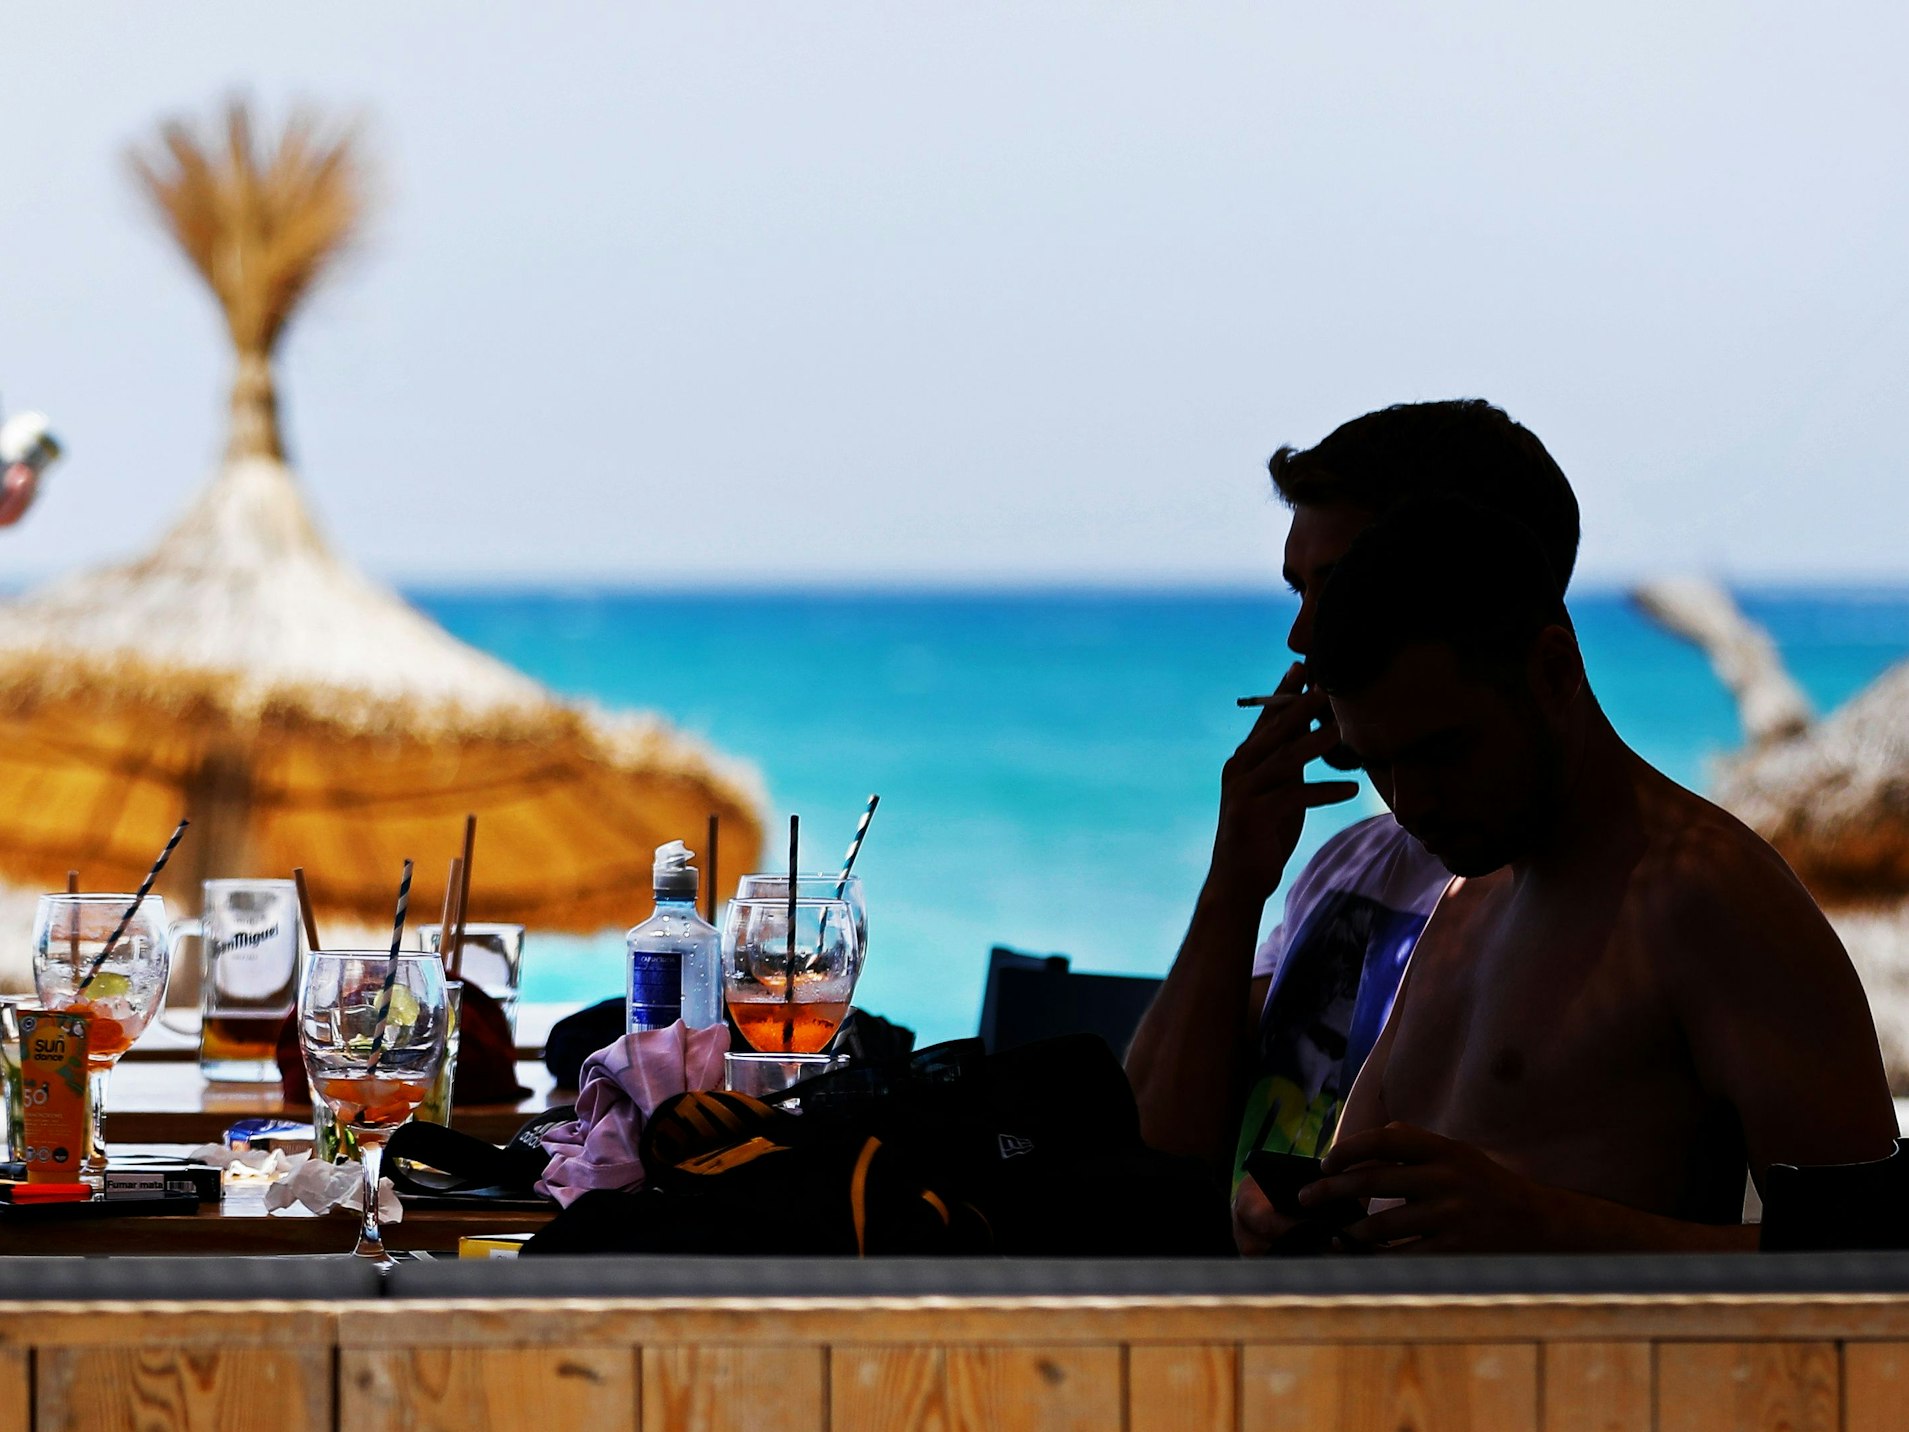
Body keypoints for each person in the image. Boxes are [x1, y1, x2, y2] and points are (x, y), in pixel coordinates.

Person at [1237, 498, 1895, 1253]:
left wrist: (1554, 1229)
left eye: (1441, 751)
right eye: (1379, 762)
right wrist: (1296, 1216)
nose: (1411, 803)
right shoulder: (1466, 893)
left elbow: (1870, 1265)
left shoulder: (1706, 897)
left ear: (1553, 671)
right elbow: (1366, 1185)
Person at [1126, 401, 1580, 1198]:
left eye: (1333, 591)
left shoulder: (1615, 896)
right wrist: (1234, 882)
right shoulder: (1353, 865)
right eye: (1297, 592)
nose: (1302, 639)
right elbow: (1152, 1153)